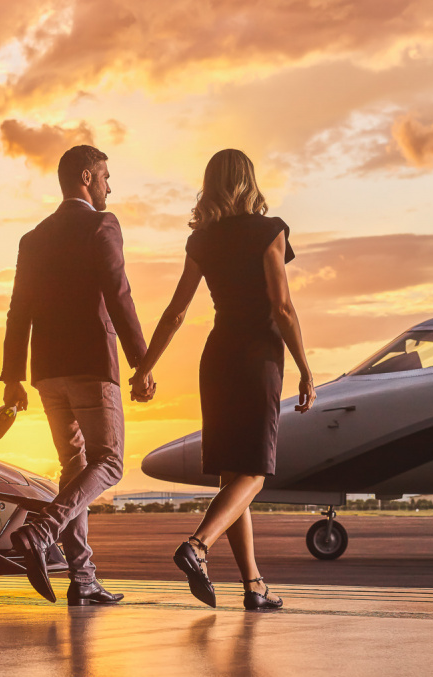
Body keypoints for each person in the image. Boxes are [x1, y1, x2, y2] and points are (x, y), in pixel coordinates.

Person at [130, 148, 315, 611]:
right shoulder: (270, 231)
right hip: (258, 359)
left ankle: (254, 585)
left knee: (233, 476)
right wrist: (306, 368)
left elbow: (176, 313)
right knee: (255, 473)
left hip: (218, 358)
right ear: (248, 181)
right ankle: (197, 545)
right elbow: (282, 307)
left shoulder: (203, 239)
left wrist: (145, 367)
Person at [1, 144, 154, 606]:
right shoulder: (100, 225)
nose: (111, 185)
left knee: (75, 468)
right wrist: (141, 363)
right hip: (91, 366)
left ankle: (83, 577)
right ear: (87, 177)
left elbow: (18, 311)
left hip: (47, 371)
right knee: (108, 463)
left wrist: (13, 377)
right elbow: (119, 294)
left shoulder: (34, 237)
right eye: (106, 175)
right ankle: (44, 530)